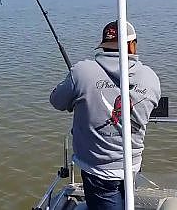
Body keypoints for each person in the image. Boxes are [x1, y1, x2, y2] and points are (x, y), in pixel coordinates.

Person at [50, 21, 161, 210]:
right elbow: (150, 109)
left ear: (104, 45)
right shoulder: (151, 77)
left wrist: (78, 88)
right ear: (132, 44)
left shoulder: (82, 72)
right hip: (132, 165)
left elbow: (56, 101)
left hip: (97, 171)